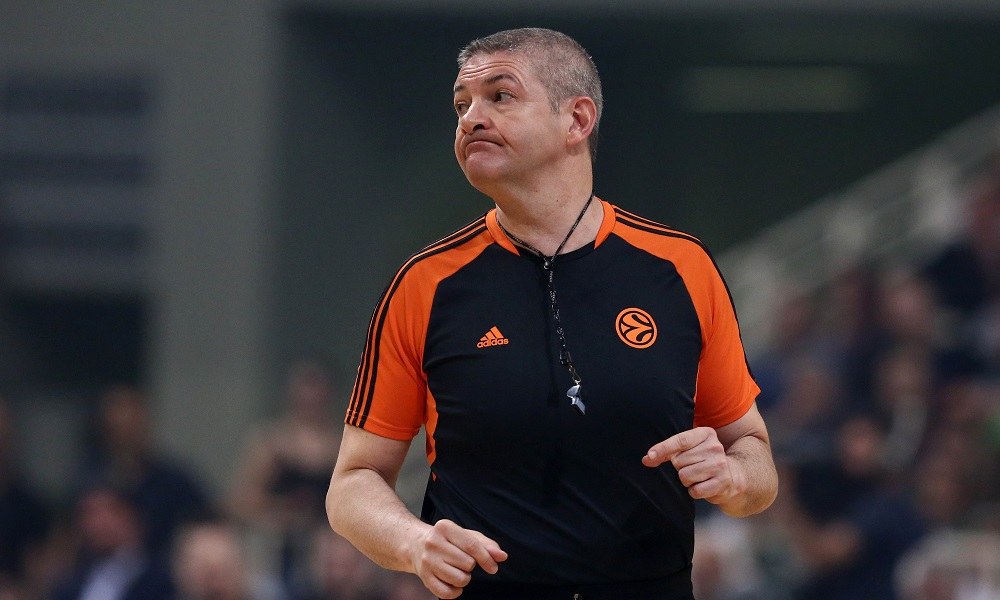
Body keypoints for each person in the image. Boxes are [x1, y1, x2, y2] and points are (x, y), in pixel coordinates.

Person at [326, 27, 778, 600]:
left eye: (500, 95)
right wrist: (413, 542)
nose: (471, 119)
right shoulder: (423, 284)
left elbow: (754, 456)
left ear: (577, 120)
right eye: (461, 105)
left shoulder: (682, 268)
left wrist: (735, 477)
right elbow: (353, 481)